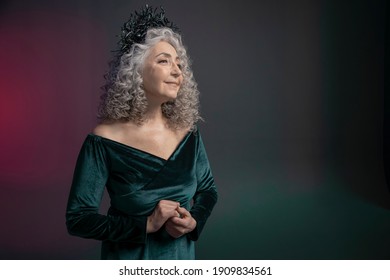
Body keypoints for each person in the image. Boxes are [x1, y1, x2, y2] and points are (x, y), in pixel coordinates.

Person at [65, 5, 218, 260]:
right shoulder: (104, 139)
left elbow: (208, 190)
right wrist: (146, 224)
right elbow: (78, 218)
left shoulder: (188, 133)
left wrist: (194, 222)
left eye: (179, 64)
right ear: (136, 71)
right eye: (163, 61)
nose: (177, 71)